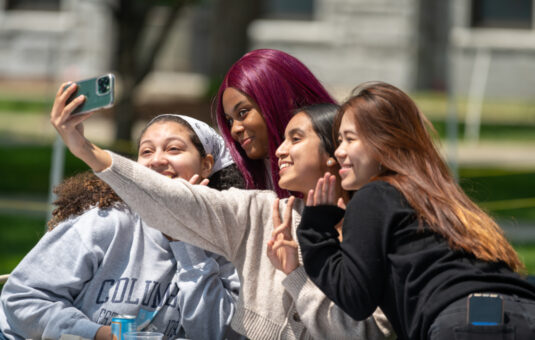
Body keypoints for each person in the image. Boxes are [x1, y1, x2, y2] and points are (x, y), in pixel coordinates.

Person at [50, 83, 395, 340]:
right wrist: (87, 150)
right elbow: (174, 202)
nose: (279, 150)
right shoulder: (261, 210)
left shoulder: (375, 226)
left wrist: (294, 275)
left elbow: (367, 333)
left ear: (333, 153)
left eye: (295, 138)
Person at [293, 81, 535, 340]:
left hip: (464, 321)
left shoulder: (375, 194)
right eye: (338, 141)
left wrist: (316, 231)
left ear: (385, 141)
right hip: (520, 311)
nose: (339, 152)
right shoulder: (440, 195)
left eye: (350, 139)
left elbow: (355, 297)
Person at [0, 114, 244, 340]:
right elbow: (22, 298)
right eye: (146, 151)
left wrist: (185, 241)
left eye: (173, 149)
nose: (157, 160)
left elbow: (218, 333)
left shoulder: (225, 244)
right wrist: (97, 334)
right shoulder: (106, 221)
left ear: (206, 165)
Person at [214, 48, 336, 198]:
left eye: (243, 112)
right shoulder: (240, 186)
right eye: (229, 121)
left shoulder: (354, 174)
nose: (234, 129)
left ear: (281, 99)